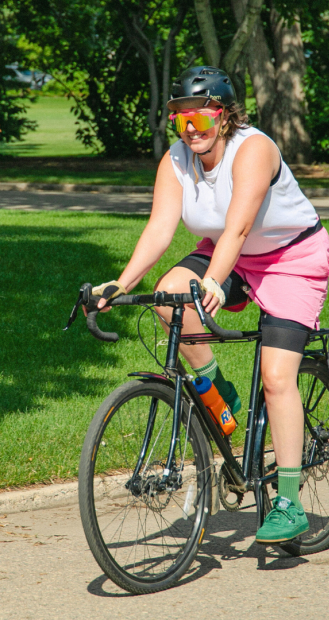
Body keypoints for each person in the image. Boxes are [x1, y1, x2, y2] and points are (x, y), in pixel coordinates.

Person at [91, 66, 329, 544]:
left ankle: (287, 502)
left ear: (224, 117)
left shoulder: (253, 149)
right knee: (167, 297)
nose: (190, 129)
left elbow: (241, 227)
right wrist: (118, 285)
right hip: (227, 252)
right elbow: (160, 229)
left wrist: (216, 281)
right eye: (180, 119)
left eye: (199, 118)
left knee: (277, 377)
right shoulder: (176, 160)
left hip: (289, 259)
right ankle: (219, 395)